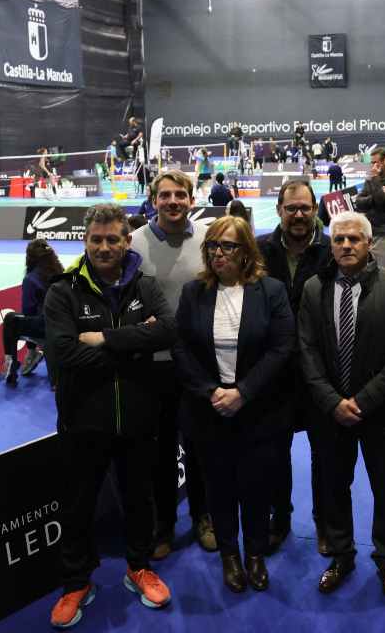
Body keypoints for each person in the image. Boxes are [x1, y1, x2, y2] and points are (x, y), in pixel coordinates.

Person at [44, 203, 178, 627]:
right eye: (96, 239)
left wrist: (104, 339)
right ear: (86, 241)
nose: (104, 247)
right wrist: (135, 349)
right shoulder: (62, 291)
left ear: (126, 241)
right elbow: (64, 352)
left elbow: (170, 329)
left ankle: (139, 566)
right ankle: (76, 582)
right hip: (83, 422)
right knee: (78, 506)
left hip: (138, 419)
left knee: (140, 499)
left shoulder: (147, 286)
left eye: (112, 239)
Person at [299, 211, 385, 602]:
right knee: (334, 489)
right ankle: (341, 556)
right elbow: (307, 349)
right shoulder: (314, 289)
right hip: (330, 414)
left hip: (382, 413)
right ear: (331, 245)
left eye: (354, 239)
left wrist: (364, 400)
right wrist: (332, 402)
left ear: (369, 244)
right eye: (339, 240)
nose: (346, 245)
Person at [172, 216, 294, 594]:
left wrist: (244, 391)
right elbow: (180, 348)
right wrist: (211, 391)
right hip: (209, 411)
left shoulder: (271, 290)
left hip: (257, 410)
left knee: (256, 488)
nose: (219, 253)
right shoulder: (194, 292)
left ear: (246, 252)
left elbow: (282, 347)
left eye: (228, 246)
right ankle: (230, 554)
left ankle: (255, 553)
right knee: (218, 488)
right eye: (212, 246)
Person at [130, 170, 217, 557]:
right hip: (154, 366)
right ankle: (163, 527)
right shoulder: (134, 244)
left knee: (201, 447)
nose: (173, 201)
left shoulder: (207, 240)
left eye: (180, 194)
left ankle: (204, 517)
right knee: (161, 452)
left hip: (199, 363)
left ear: (191, 199)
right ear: (153, 200)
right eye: (165, 195)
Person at [257, 179, 335, 554]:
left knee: (325, 455)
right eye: (292, 208)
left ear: (315, 208)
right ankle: (281, 518)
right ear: (279, 211)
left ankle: (324, 522)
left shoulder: (335, 249)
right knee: (274, 453)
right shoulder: (256, 251)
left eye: (305, 207)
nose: (299, 214)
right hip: (272, 375)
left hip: (321, 373)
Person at [3, 239, 63, 387]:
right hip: (64, 324)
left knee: (11, 319)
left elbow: (28, 311)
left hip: (45, 328)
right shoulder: (61, 273)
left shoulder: (30, 279)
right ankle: (31, 353)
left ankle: (11, 363)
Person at [353, 147, 385, 270]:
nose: (374, 166)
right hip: (368, 233)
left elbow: (383, 201)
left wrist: (375, 180)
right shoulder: (371, 179)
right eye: (372, 162)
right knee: (366, 272)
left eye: (377, 162)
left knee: (383, 275)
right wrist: (375, 197)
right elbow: (359, 202)